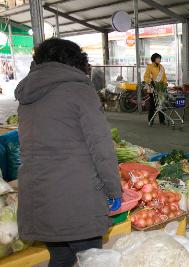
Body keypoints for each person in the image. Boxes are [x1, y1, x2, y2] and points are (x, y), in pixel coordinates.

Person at [15, 38, 122, 267]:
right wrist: (114, 190)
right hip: (77, 200)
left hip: (40, 197)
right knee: (92, 260)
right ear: (75, 62)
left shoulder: (27, 96)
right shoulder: (80, 92)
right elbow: (102, 148)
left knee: (61, 257)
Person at [144, 53, 167, 125]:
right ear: (154, 59)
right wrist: (151, 82)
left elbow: (164, 77)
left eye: (160, 58)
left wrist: (165, 83)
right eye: (158, 58)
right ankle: (150, 120)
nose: (159, 60)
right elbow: (146, 77)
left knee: (161, 104)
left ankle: (162, 120)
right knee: (152, 105)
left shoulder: (162, 67)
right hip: (152, 89)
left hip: (161, 88)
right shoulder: (150, 67)